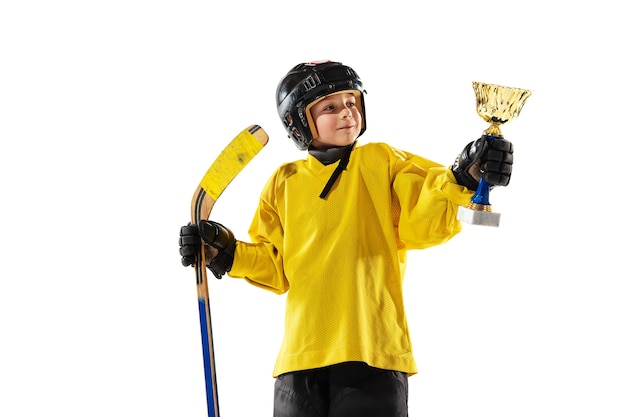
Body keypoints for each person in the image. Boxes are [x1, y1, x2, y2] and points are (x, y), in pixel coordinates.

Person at [179, 60, 514, 417]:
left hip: (370, 354)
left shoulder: (381, 162)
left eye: (352, 102)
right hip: (299, 360)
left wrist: (462, 177)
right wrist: (226, 253)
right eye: (329, 107)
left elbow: (424, 217)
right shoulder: (284, 182)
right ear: (298, 122)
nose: (347, 113)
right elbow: (276, 267)